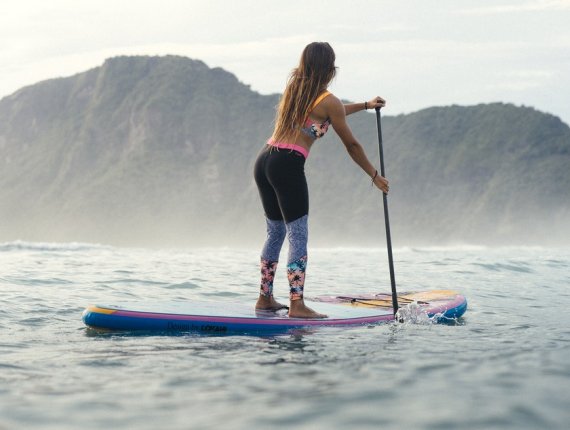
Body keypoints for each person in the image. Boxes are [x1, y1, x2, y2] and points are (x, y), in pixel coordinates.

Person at [253, 41, 389, 318]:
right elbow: (351, 144)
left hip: (265, 159)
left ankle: (264, 298)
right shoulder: (327, 101)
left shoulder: (296, 90)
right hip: (288, 164)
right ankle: (297, 304)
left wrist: (364, 105)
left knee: (276, 232)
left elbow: (333, 110)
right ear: (330, 69)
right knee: (298, 234)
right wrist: (374, 176)